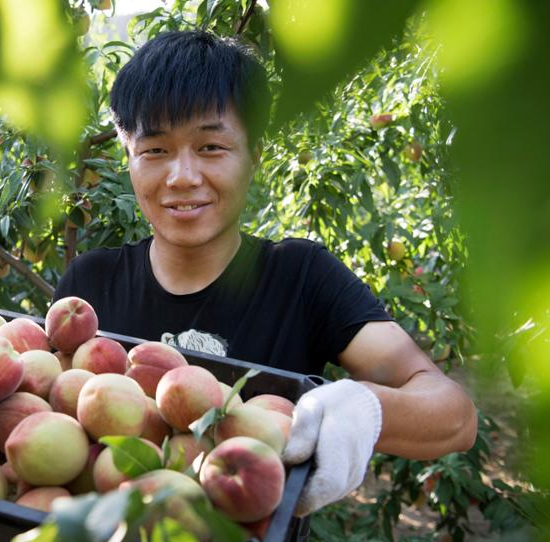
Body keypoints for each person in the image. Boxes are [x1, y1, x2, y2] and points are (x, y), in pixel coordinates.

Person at [53, 30, 477, 517]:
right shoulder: (88, 289)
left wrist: (365, 408)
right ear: (128, 159)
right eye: (155, 150)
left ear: (254, 155)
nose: (183, 176)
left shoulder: (300, 278)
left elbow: (455, 416)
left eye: (211, 147)